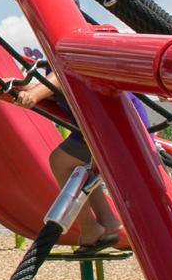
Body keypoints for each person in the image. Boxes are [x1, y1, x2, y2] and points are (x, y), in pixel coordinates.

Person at [9, 75, 127, 252]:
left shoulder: (62, 55)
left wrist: (34, 93)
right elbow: (58, 85)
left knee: (60, 161)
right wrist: (26, 87)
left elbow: (61, 73)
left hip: (106, 126)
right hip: (103, 123)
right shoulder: (60, 60)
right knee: (82, 169)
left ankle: (89, 228)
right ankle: (108, 221)